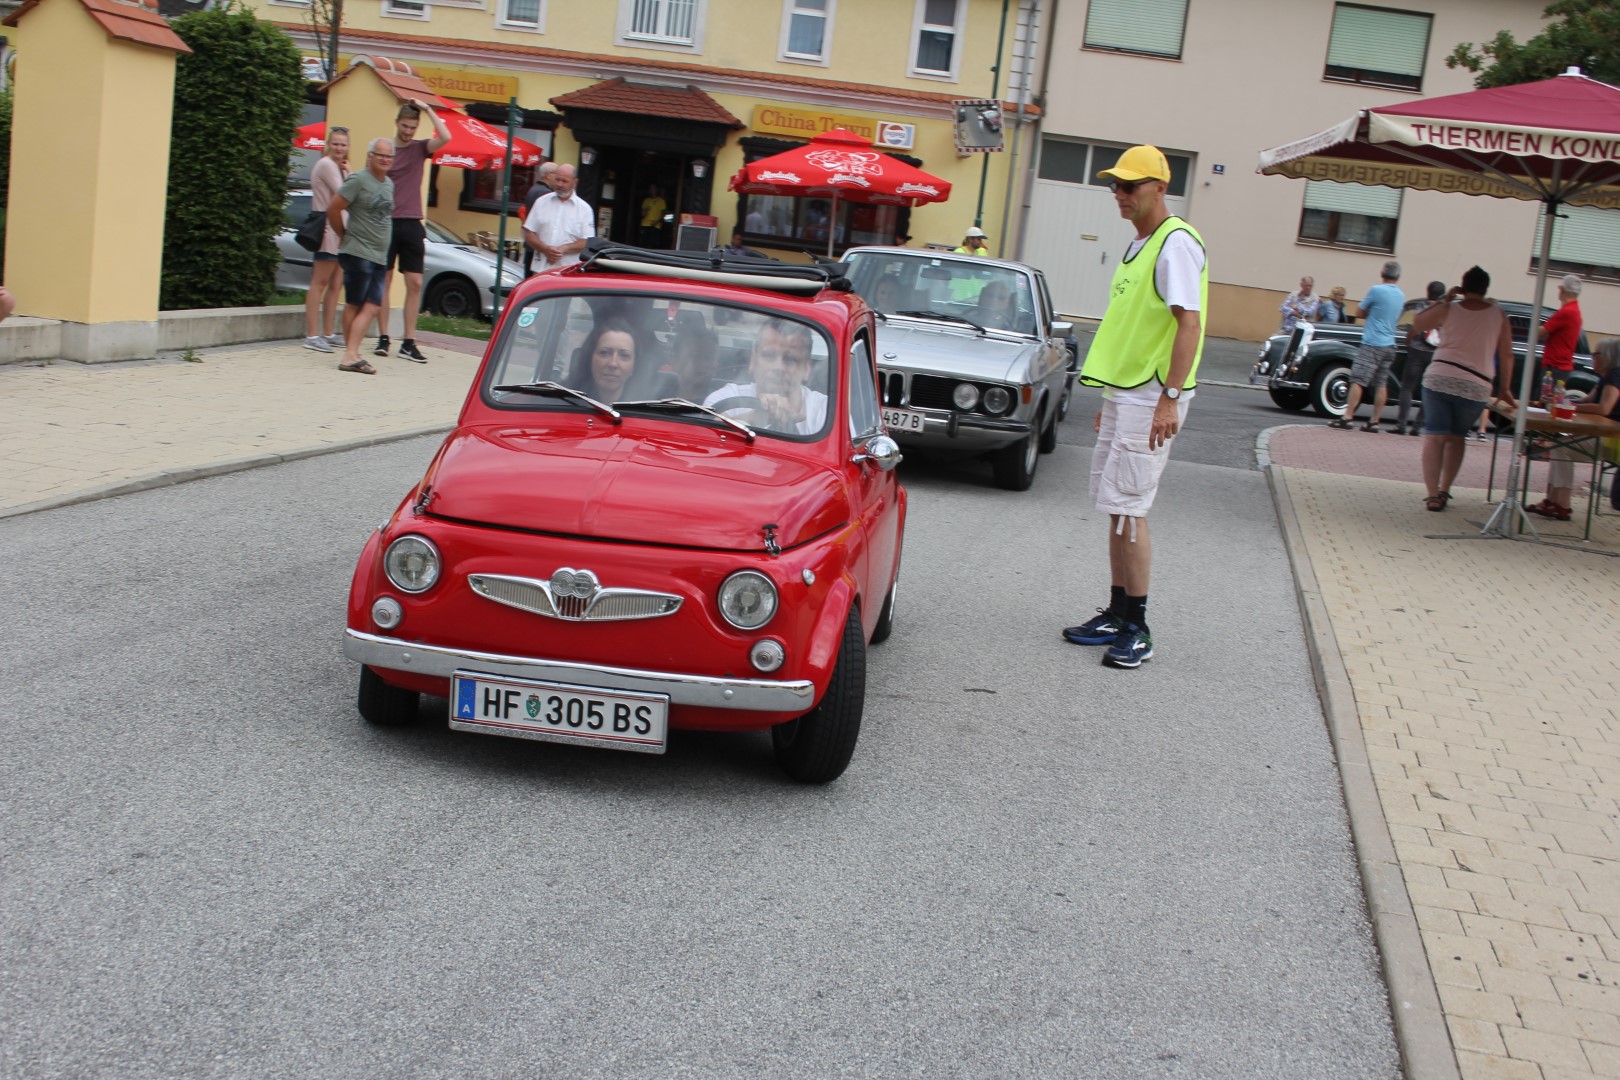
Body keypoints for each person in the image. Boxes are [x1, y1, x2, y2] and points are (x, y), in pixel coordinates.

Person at [1062, 144, 1206, 670]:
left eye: (1130, 186)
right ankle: (1118, 611)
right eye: (1115, 186)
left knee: (1132, 508)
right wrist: (1112, 397)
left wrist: (1167, 398)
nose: (1119, 195)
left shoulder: (1175, 243)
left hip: (1153, 394)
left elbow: (1187, 323)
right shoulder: (1139, 246)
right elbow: (1131, 330)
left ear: (1159, 188)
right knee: (1116, 504)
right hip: (1130, 393)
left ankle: (1139, 626)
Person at [1410, 265, 1516, 511]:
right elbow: (1507, 354)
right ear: (1485, 288)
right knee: (1457, 438)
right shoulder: (1499, 315)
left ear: (1463, 286)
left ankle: (1432, 495)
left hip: (1440, 378)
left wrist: (1446, 298)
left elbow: (1418, 321)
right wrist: (1506, 388)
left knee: (1435, 437)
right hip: (1476, 385)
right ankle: (1446, 489)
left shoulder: (1449, 308)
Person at [374, 100, 451, 365]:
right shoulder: (386, 151)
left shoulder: (420, 148)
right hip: (386, 221)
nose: (408, 131)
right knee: (383, 280)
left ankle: (408, 341)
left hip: (411, 222)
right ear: (397, 123)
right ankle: (383, 337)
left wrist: (429, 110)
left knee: (415, 283)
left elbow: (446, 136)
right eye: (405, 126)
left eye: (413, 127)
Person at [326, 138, 396, 375]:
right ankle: (351, 355)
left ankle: (352, 353)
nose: (385, 159)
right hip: (358, 251)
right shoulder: (358, 180)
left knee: (373, 305)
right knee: (355, 303)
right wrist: (343, 235)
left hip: (379, 255)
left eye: (389, 156)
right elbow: (333, 208)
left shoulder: (389, 184)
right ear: (370, 156)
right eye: (381, 155)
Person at [1531, 337, 1620, 521]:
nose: (1592, 357)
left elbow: (1604, 408)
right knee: (1558, 447)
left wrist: (1569, 406)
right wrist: (1561, 401)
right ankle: (1553, 501)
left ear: (1607, 357)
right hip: (1601, 434)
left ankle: (1562, 504)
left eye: (1596, 354)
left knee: (1562, 448)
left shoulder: (1615, 377)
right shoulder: (1606, 377)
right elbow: (1586, 401)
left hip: (1612, 439)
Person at [704, 318, 828, 435]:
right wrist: (754, 418)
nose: (778, 367)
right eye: (769, 355)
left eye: (791, 359)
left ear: (806, 368)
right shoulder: (725, 399)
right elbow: (707, 438)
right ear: (753, 360)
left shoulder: (825, 413)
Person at [1328, 261, 1404, 431]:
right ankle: (1374, 421)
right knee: (1381, 383)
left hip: (1372, 342)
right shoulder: (1401, 295)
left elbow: (1359, 312)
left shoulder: (1376, 290)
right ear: (1398, 277)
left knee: (1358, 379)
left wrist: (1372, 313)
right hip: (1390, 344)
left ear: (1382, 273)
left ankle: (1347, 417)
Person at [303, 126, 350, 354]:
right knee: (319, 282)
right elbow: (346, 194)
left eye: (343, 144)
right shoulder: (327, 165)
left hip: (340, 231)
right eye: (336, 143)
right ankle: (312, 335)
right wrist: (350, 173)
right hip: (327, 230)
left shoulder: (336, 167)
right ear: (328, 144)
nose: (339, 148)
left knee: (335, 285)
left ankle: (329, 333)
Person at [1395, 280, 1447, 436]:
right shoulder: (1446, 311)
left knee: (1407, 387)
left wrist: (1408, 341)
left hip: (1417, 351)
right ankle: (1417, 426)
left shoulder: (1421, 307)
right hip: (1435, 354)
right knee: (1428, 390)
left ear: (1427, 291)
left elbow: (1416, 326)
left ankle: (1401, 424)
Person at [523, 163, 595, 272]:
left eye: (564, 181)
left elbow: (587, 242)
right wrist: (545, 249)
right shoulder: (541, 202)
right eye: (557, 180)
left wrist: (564, 248)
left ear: (575, 182)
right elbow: (529, 234)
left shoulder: (585, 209)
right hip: (540, 272)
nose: (559, 184)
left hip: (568, 274)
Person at [571, 318, 644, 403]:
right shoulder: (562, 402)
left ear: (634, 366)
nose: (613, 364)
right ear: (590, 358)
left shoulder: (646, 411)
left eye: (624, 355)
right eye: (605, 353)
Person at [1536, 273, 1583, 394]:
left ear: (1562, 290)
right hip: (1561, 366)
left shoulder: (1566, 312)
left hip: (1555, 367)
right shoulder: (1574, 311)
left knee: (1543, 403)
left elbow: (1540, 332)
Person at [520, 161, 558, 277]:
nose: (558, 179)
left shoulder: (534, 189)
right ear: (549, 174)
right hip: (537, 248)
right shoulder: (545, 194)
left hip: (531, 245)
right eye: (556, 175)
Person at [666, 320, 719, 402]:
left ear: (715, 365)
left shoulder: (724, 405)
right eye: (695, 356)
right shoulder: (653, 400)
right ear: (675, 362)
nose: (703, 363)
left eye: (708, 357)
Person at [638, 183, 667, 248]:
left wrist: (658, 221)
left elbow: (663, 214)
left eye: (653, 188)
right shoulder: (646, 201)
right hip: (645, 224)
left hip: (655, 225)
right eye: (650, 189)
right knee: (643, 243)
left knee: (653, 244)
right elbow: (642, 214)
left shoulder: (661, 201)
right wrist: (645, 211)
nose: (652, 190)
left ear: (657, 190)